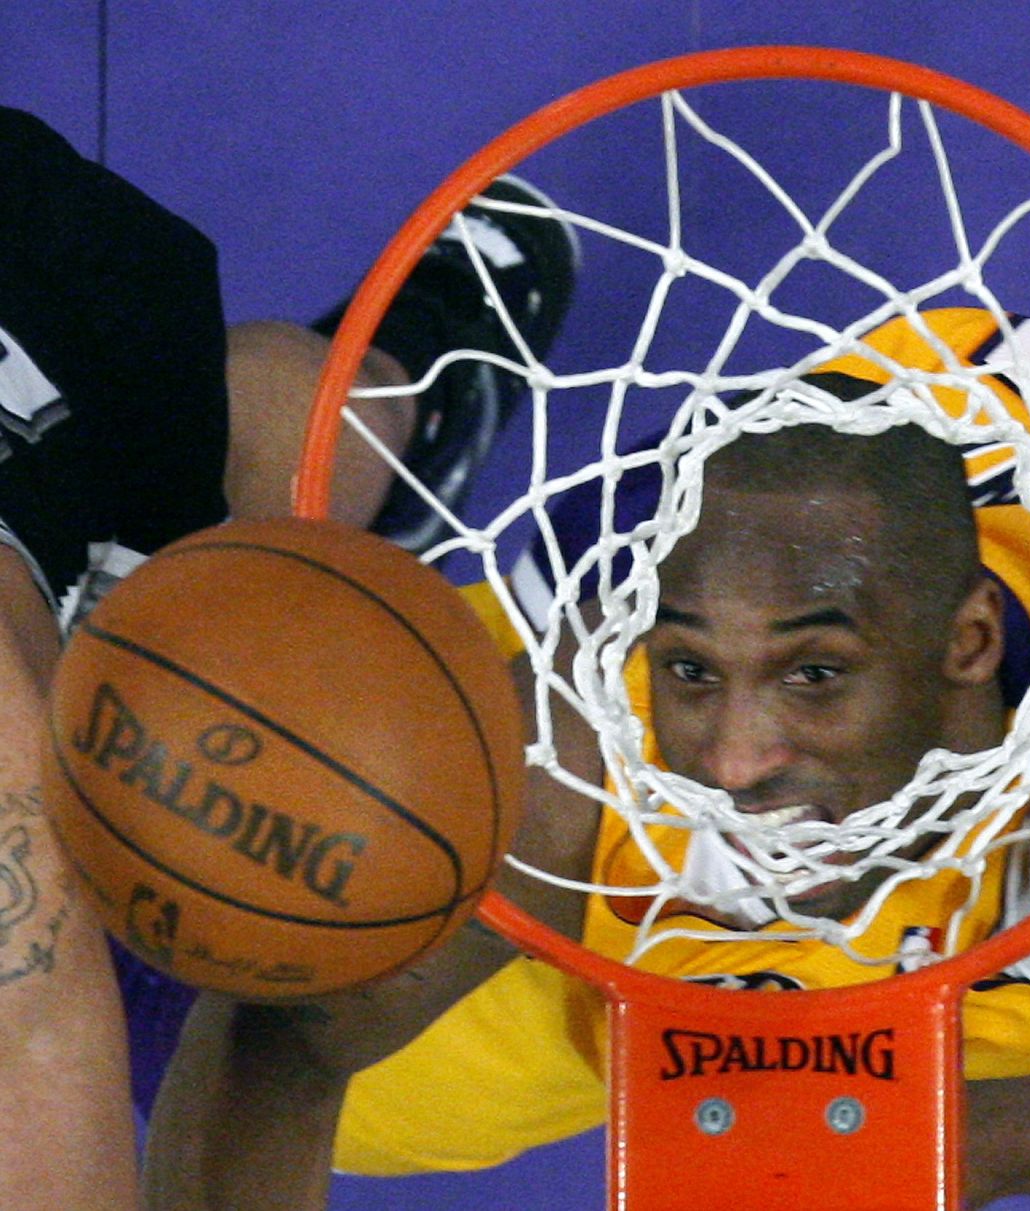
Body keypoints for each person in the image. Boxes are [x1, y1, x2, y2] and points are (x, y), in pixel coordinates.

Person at [140, 11, 1030, 1208]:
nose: (734, 756)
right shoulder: (589, 714)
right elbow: (293, 1026)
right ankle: (436, 374)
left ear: (968, 644)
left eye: (812, 679)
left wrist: (934, 1150)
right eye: (694, 673)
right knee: (191, 966)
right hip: (652, 843)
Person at [0, 103, 576, 1209]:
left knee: (232, 547)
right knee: (230, 461)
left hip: (57, 318)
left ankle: (417, 373)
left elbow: (37, 1047)